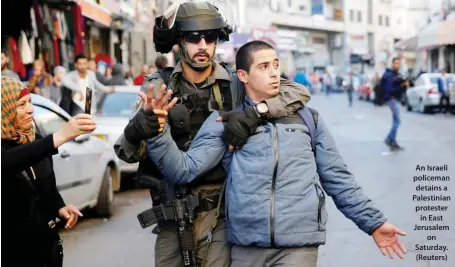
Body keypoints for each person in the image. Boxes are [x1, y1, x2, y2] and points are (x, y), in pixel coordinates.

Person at [146, 40, 407, 267]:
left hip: (298, 245)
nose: (274, 74)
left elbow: (338, 179)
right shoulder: (225, 121)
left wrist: (373, 223)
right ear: (243, 75)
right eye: (263, 67)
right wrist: (157, 131)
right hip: (245, 246)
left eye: (276, 65)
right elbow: (184, 169)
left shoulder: (308, 118)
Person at [114, 2, 311, 267]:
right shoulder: (158, 85)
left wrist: (257, 111)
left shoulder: (235, 81)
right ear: (179, 41)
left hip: (222, 213)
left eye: (210, 37)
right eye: (193, 38)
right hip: (173, 214)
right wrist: (138, 129)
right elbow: (125, 153)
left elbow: (296, 93)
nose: (203, 45)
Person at [1, 76, 97, 267]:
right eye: (21, 104)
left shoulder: (34, 139)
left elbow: (46, 185)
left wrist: (60, 207)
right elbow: (9, 162)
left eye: (29, 102)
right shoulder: (18, 148)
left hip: (45, 251)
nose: (30, 109)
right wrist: (60, 136)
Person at [381, 57, 409, 151]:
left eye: (399, 63)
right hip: (391, 99)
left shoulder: (395, 74)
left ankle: (393, 142)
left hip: (395, 99)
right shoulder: (389, 75)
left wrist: (404, 85)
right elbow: (391, 90)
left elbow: (400, 89)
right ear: (392, 64)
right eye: (396, 63)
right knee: (397, 121)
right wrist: (402, 85)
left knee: (395, 121)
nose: (398, 65)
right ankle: (389, 139)